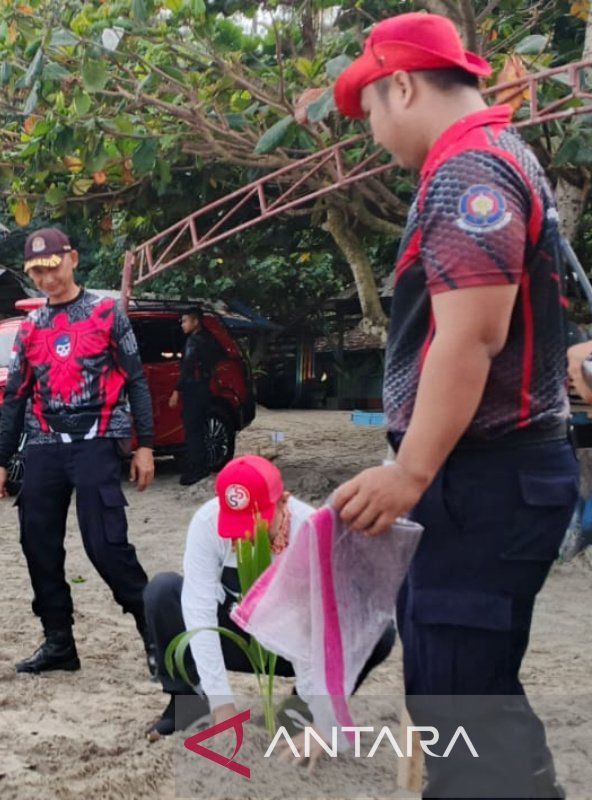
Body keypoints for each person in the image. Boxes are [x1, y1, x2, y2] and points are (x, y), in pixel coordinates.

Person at [331, 14, 577, 797]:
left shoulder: (469, 172)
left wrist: (408, 472)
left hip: (486, 477)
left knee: (460, 691)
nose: (372, 133)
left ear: (401, 83)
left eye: (369, 110)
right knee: (462, 685)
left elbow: (469, 338)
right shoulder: (504, 157)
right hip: (488, 475)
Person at [0, 227, 156, 675]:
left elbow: (136, 380)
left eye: (53, 266)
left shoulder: (106, 314)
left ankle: (155, 637)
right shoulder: (30, 328)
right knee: (37, 541)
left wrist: (146, 446)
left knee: (106, 547)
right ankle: (59, 642)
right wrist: (1, 459)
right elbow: (14, 395)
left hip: (97, 441)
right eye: (37, 272)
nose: (47, 278)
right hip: (44, 444)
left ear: (73, 259)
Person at [143, 455, 395, 739]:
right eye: (236, 526)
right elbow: (198, 611)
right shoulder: (206, 522)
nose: (246, 539)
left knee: (379, 632)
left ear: (283, 501)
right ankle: (187, 703)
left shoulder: (311, 529)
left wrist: (323, 714)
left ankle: (298, 710)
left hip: (293, 643)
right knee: (162, 592)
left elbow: (327, 629)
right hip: (237, 632)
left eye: (256, 524)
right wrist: (221, 703)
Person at [168, 310, 222, 486]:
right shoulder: (211, 339)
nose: (182, 325)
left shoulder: (194, 341)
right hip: (205, 388)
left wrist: (177, 390)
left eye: (185, 321)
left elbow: (188, 367)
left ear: (195, 322)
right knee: (200, 429)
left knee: (193, 431)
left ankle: (197, 470)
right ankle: (202, 466)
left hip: (194, 389)